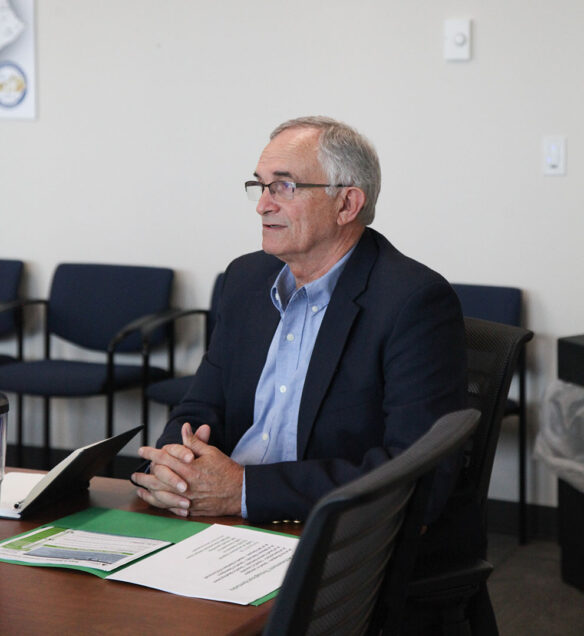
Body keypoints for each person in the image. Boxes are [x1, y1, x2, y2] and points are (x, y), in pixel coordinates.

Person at [132, 115, 468, 526]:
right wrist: (175, 464)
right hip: (219, 516)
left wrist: (243, 491)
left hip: (329, 531)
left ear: (347, 204)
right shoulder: (245, 280)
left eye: (284, 187)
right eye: (259, 185)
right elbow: (202, 406)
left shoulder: (413, 302)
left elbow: (415, 470)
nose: (262, 204)